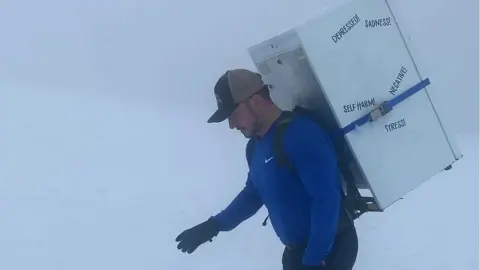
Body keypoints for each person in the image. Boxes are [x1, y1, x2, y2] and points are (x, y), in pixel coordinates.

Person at [175, 69, 358, 270]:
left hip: (329, 249)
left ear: (255, 101)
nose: (231, 125)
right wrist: (214, 226)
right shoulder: (255, 147)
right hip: (297, 253)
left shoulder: (302, 135)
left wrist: (313, 261)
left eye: (233, 114)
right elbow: (253, 194)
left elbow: (326, 199)